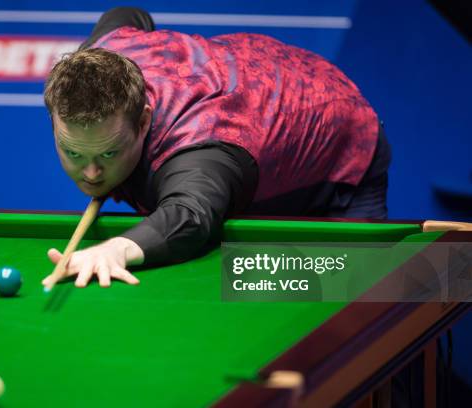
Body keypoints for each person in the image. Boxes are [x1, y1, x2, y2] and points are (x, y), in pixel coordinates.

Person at [41, 7, 391, 289]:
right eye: (74, 153)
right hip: (253, 91)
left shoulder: (199, 148)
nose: (90, 173)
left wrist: (117, 248)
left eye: (108, 153)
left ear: (144, 121)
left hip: (339, 134)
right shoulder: (102, 53)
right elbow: (128, 14)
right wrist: (115, 160)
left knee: (351, 295)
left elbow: (190, 214)